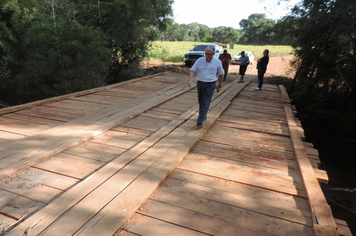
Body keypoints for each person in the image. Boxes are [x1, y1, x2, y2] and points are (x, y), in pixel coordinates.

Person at [188, 46, 224, 129]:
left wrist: (220, 85)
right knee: (201, 102)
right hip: (200, 84)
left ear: (213, 54)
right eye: (206, 54)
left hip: (210, 85)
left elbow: (221, 74)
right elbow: (192, 70)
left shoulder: (217, 62)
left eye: (210, 54)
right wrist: (190, 80)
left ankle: (200, 122)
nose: (207, 56)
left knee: (205, 103)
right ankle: (203, 115)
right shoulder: (200, 60)